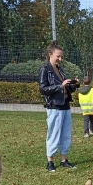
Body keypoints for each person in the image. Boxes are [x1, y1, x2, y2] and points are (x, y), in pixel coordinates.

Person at [39, 40, 79, 172]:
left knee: (66, 134)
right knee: (54, 134)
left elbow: (67, 88)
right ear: (50, 54)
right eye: (58, 56)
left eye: (61, 57)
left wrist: (74, 84)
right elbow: (43, 89)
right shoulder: (45, 69)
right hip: (54, 107)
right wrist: (60, 86)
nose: (60, 59)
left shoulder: (60, 70)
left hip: (65, 105)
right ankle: (50, 161)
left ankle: (64, 160)